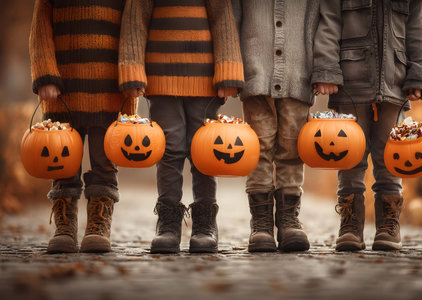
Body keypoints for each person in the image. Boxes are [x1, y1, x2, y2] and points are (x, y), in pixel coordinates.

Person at [119, 0, 244, 253]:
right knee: (169, 148)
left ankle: (205, 222)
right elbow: (135, 21)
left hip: (205, 78)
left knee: (206, 151)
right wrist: (132, 70)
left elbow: (223, 19)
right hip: (160, 76)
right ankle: (168, 222)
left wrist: (227, 71)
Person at [312, 0, 422, 251]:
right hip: (350, 86)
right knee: (349, 159)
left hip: (395, 85)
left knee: (392, 158)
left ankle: (388, 225)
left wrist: (420, 73)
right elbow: (328, 25)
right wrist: (326, 70)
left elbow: (417, 29)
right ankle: (350, 224)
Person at [29, 0, 136, 253]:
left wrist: (131, 80)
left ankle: (98, 226)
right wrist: (45, 75)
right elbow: (39, 31)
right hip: (61, 93)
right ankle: (64, 227)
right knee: (62, 164)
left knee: (104, 164)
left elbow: (132, 33)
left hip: (109, 92)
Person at [232, 0, 320, 252]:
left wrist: (322, 71)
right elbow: (233, 21)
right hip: (254, 74)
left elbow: (320, 23)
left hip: (298, 75)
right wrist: (233, 69)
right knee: (257, 149)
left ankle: (288, 219)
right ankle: (260, 223)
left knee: (293, 148)